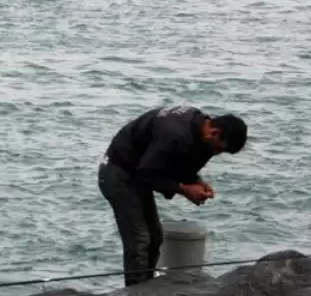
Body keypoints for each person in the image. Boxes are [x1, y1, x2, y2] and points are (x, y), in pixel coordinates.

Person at [98, 105, 247, 286]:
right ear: (214, 133)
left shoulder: (200, 128)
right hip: (118, 172)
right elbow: (147, 173)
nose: (215, 153)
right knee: (139, 241)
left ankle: (146, 287)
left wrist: (195, 181)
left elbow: (179, 162)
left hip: (138, 172)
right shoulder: (174, 134)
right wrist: (184, 190)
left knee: (155, 238)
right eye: (219, 149)